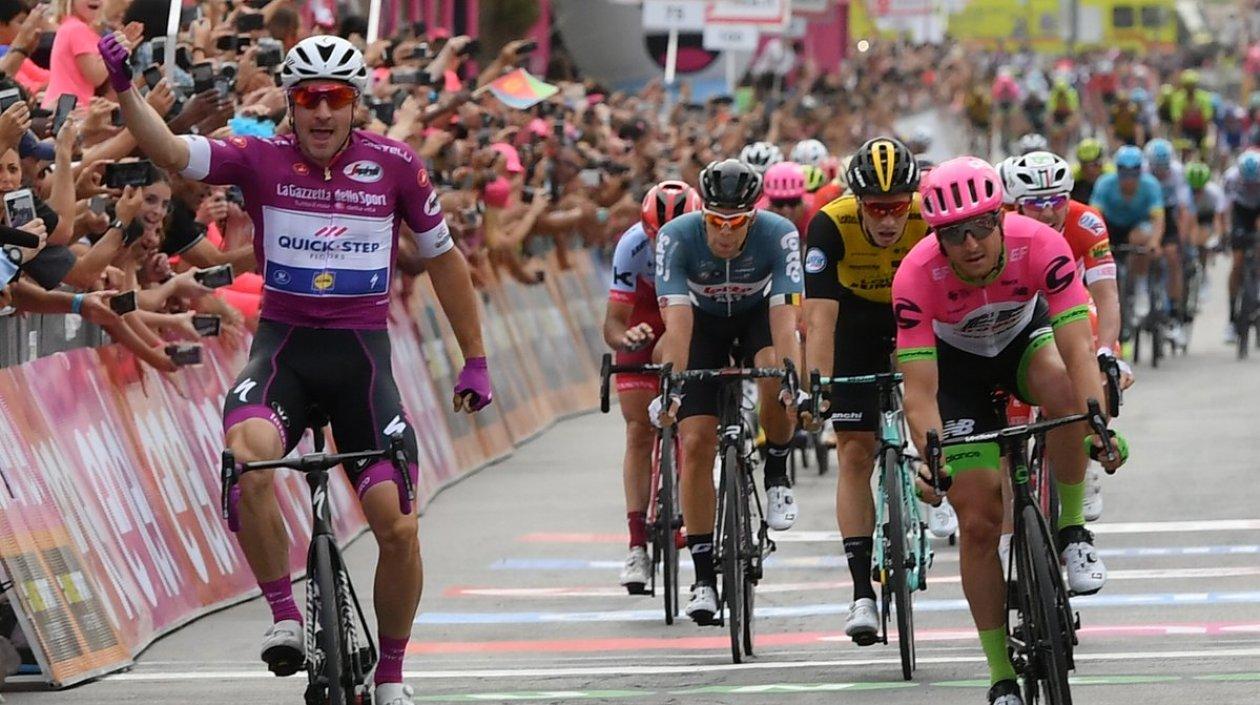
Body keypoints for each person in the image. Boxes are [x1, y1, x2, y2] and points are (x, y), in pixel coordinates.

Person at [102, 32, 493, 705]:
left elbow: (445, 260)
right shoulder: (259, 159)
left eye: (334, 98)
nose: (320, 111)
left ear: (354, 103)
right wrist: (125, 89)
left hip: (360, 363)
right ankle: (284, 612)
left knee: (397, 523)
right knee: (246, 459)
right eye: (307, 97)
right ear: (289, 101)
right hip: (282, 352)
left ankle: (392, 672)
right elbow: (169, 152)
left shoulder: (396, 165)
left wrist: (475, 358)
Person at [894, 157, 1128, 705]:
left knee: (1068, 393)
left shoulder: (1041, 245)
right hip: (957, 373)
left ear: (1001, 217)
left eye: (980, 226)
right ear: (936, 236)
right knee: (978, 521)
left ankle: (1072, 529)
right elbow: (921, 392)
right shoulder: (914, 275)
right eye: (953, 234)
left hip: (1025, 344)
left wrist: (1098, 422)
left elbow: (1076, 347)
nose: (970, 243)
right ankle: (1000, 674)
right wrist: (933, 458)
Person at [802, 136, 949, 645]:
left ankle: (932, 466)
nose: (888, 220)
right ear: (857, 202)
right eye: (876, 208)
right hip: (854, 323)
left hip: (916, 315)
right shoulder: (829, 223)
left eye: (896, 207)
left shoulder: (928, 217)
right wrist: (817, 388)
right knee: (855, 454)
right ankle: (862, 591)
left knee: (929, 401)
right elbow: (819, 319)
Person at [651, 159, 803, 626]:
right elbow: (676, 327)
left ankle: (776, 471)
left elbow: (785, 324)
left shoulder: (779, 234)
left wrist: (792, 377)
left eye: (735, 223)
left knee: (774, 372)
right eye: (716, 220)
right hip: (702, 326)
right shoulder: (676, 236)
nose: (724, 232)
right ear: (704, 214)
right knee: (695, 442)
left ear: (752, 217)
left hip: (757, 318)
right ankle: (702, 578)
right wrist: (672, 385)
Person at [604, 180, 700, 594]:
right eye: (657, 236)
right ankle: (637, 545)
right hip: (647, 312)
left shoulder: (711, 239)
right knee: (638, 430)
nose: (665, 244)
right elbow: (611, 324)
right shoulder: (631, 246)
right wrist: (626, 340)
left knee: (695, 428)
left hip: (692, 316)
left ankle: (693, 512)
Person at [1090, 145, 1165, 340]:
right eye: (1124, 173)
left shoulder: (1150, 185)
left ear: (1141, 172)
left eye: (1134, 174)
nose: (1129, 179)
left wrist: (1155, 242)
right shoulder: (1105, 183)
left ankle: (1140, 287)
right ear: (1118, 171)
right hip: (1112, 227)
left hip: (1138, 226)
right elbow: (1094, 216)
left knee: (1140, 241)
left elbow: (1158, 218)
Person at [1223, 151, 1260, 344]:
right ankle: (1231, 318)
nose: (1251, 185)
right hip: (1240, 211)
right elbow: (1225, 208)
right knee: (1237, 263)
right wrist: (1225, 233)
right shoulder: (1231, 177)